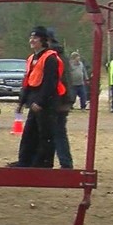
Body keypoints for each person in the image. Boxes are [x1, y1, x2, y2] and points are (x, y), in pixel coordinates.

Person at [12, 26, 63, 168]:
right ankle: (25, 161)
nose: (32, 40)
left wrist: (40, 102)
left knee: (45, 134)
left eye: (35, 38)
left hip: (46, 103)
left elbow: (50, 83)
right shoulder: (31, 58)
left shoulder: (50, 58)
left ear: (43, 40)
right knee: (29, 133)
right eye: (31, 37)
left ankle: (44, 164)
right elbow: (28, 82)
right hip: (34, 100)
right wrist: (22, 102)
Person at [48, 33, 74, 169]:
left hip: (58, 101)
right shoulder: (60, 55)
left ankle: (65, 163)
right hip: (62, 100)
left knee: (57, 133)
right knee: (58, 133)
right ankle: (63, 162)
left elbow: (59, 81)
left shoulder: (53, 57)